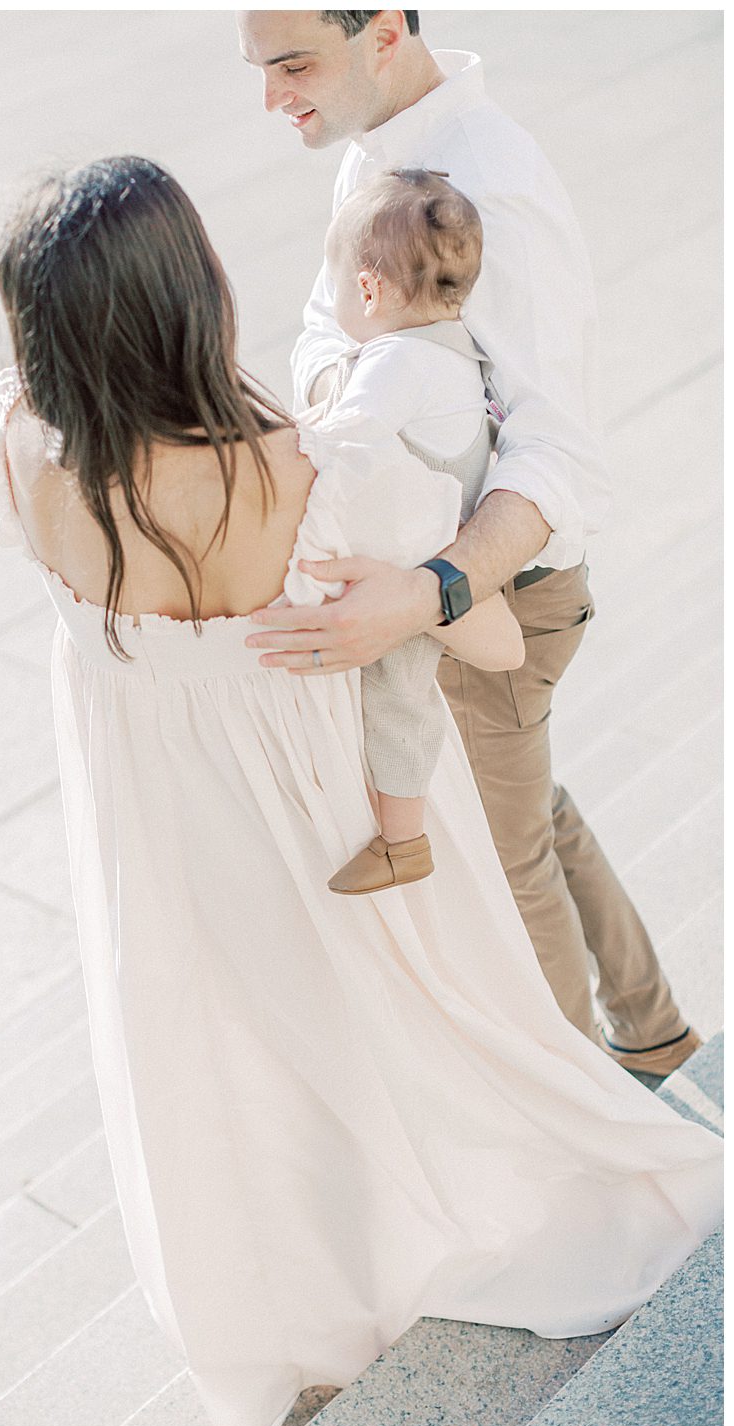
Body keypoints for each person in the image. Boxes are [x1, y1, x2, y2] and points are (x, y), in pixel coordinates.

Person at [0, 156, 722, 1426]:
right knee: (399, 1013)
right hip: (302, 801)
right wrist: (453, 595)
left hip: (154, 822)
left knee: (215, 1053)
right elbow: (481, 638)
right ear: (190, 296)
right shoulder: (289, 471)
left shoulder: (27, 456)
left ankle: (290, 1298)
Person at [237, 8, 701, 1072]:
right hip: (454, 584)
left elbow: (556, 455)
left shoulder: (496, 186)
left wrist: (427, 593)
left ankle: (591, 1124)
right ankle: (653, 1025)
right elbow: (320, 333)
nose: (272, 97)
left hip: (498, 594)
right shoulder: (372, 156)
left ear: (386, 30)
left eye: (293, 64)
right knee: (530, 800)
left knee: (507, 856)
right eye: (260, 69)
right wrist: (364, 377)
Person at [311, 166, 502, 894]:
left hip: (418, 547)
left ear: (366, 290)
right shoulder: (455, 345)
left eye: (337, 290)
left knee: (397, 689)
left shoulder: (395, 361)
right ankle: (398, 831)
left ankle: (401, 843)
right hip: (444, 531)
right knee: (401, 688)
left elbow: (345, 442)